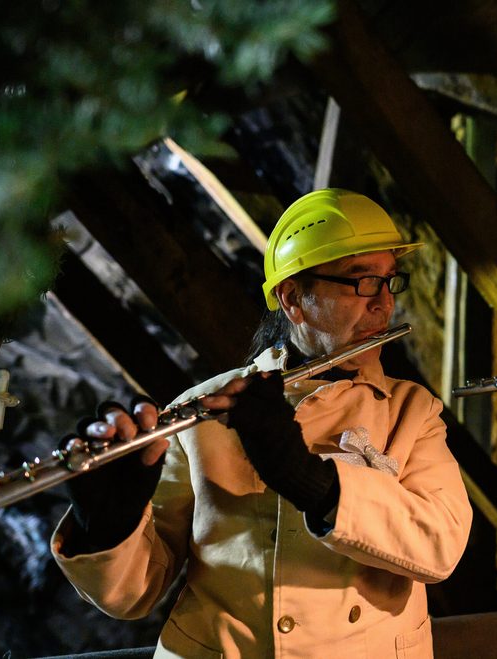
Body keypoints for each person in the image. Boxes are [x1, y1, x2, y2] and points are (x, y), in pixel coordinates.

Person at [50, 189, 473, 658]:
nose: (383, 305)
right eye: (362, 282)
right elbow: (135, 594)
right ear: (293, 299)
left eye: (389, 282)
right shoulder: (202, 411)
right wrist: (111, 527)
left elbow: (442, 544)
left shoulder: (412, 411)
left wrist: (312, 481)